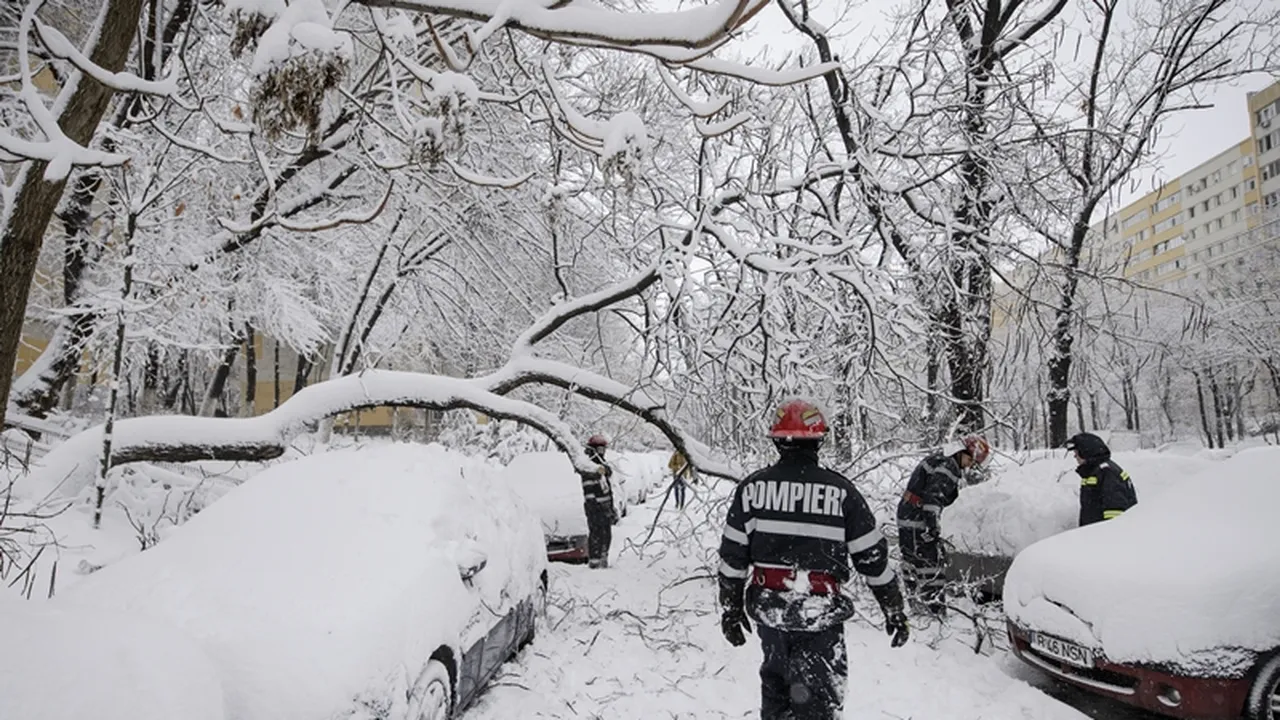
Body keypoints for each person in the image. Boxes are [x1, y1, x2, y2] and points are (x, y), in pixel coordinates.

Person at [718, 399, 909, 720]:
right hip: (819, 615)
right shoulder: (841, 492)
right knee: (818, 705)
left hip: (770, 613)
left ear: (777, 440)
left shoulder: (751, 490)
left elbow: (733, 557)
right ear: (820, 439)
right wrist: (893, 608)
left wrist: (731, 607)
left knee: (777, 698)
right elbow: (872, 558)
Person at [896, 434, 990, 618]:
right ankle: (933, 611)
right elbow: (933, 498)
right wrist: (932, 527)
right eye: (970, 459)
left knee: (912, 563)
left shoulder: (940, 460)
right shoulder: (948, 467)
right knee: (929, 565)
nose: (970, 465)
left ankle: (916, 606)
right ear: (961, 452)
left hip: (908, 516)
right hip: (917, 520)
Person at [1065, 432, 1137, 526]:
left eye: (1077, 453)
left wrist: (1106, 536)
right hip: (1094, 534)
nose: (1075, 456)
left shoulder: (1107, 473)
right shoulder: (1092, 472)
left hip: (1105, 536)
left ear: (1086, 452)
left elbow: (1115, 512)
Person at [582, 434, 617, 569]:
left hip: (605, 507)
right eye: (600, 449)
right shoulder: (589, 465)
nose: (603, 452)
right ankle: (595, 562)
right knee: (596, 534)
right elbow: (588, 488)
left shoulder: (601, 464)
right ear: (594, 449)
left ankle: (603, 558)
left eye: (604, 449)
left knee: (606, 534)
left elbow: (608, 474)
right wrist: (593, 505)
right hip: (595, 508)